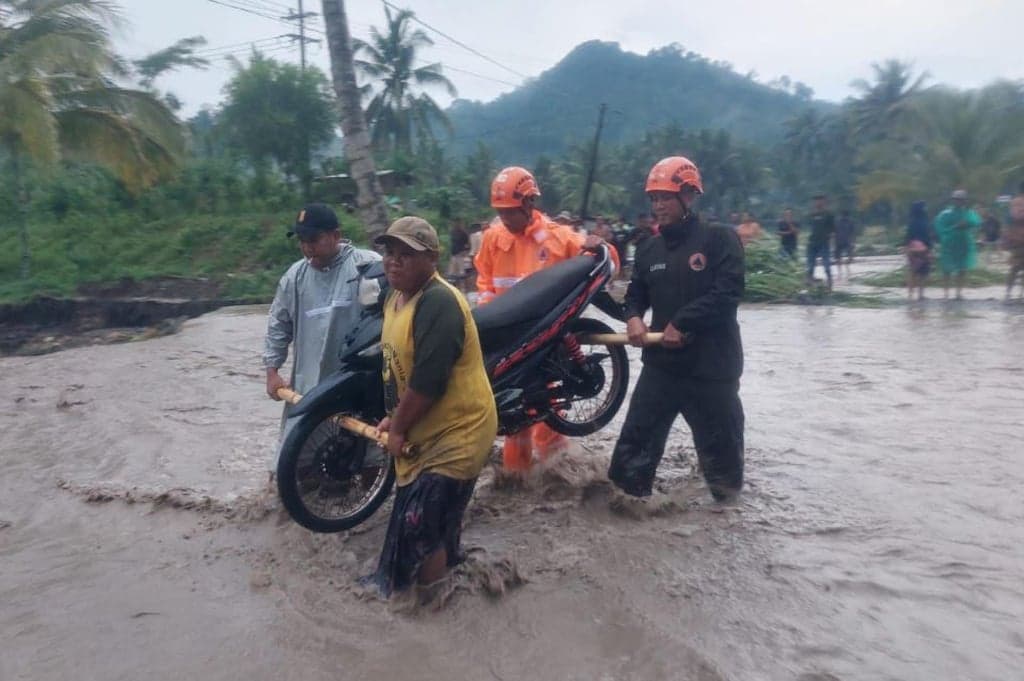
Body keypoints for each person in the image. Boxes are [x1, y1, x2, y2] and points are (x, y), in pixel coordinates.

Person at [368, 216, 498, 599]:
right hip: (428, 428)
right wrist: (395, 416)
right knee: (423, 523)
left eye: (406, 254)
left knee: (422, 527)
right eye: (389, 252)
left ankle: (434, 607)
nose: (393, 261)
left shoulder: (438, 301)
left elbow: (427, 383)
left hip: (460, 432)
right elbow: (401, 370)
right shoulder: (395, 299)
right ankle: (437, 581)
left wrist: (397, 429)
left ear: (431, 259)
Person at [607, 156, 745, 503]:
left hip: (711, 370)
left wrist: (682, 322)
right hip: (662, 368)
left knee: (725, 483)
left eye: (665, 197)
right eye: (653, 199)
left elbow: (727, 294)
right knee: (628, 469)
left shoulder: (719, 239)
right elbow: (636, 293)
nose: (657, 206)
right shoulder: (649, 247)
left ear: (689, 195)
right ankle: (629, 516)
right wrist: (634, 317)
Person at [474, 166, 615, 474]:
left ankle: (558, 479)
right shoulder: (492, 239)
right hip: (507, 344)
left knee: (547, 419)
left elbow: (608, 260)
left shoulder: (557, 237)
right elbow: (484, 281)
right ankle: (517, 483)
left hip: (546, 345)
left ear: (528, 204)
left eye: (509, 212)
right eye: (500, 212)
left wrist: (597, 245)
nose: (505, 218)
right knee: (514, 421)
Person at [263, 204, 381, 465]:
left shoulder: (367, 266)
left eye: (313, 240)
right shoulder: (294, 278)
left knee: (368, 461)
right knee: (294, 466)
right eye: (302, 241)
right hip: (309, 388)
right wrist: (272, 371)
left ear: (336, 236)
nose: (307, 247)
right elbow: (278, 325)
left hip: (358, 385)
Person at [934, 189, 982, 300]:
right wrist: (955, 227)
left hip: (964, 244)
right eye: (956, 199)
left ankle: (958, 293)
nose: (959, 202)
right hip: (949, 245)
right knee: (947, 269)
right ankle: (946, 293)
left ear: (965, 201)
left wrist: (967, 224)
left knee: (962, 269)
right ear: (953, 200)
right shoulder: (945, 214)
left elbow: (977, 222)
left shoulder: (969, 213)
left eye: (961, 200)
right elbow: (939, 227)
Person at [806, 192, 835, 291]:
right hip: (812, 243)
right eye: (816, 201)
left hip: (824, 243)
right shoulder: (812, 214)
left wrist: (831, 242)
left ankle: (830, 284)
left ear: (824, 201)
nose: (817, 202)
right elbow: (811, 228)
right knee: (810, 266)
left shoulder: (829, 214)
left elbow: (833, 230)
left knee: (826, 265)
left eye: (820, 200)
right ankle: (809, 285)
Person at [904, 201, 933, 301]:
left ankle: (910, 294)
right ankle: (920, 294)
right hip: (924, 250)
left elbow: (907, 237)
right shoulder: (925, 223)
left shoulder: (911, 223)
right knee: (923, 272)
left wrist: (907, 249)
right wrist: (930, 249)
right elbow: (928, 237)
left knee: (912, 271)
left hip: (912, 249)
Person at [1004, 183, 1024, 299]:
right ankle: (1009, 293)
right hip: (1019, 239)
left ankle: (1014, 293)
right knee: (1016, 266)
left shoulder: (1015, 201)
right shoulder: (1017, 202)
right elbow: (1016, 216)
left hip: (1017, 238)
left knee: (1016, 267)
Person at [446, 218, 471, 293]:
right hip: (453, 254)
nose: (456, 224)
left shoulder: (463, 233)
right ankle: (452, 289)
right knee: (452, 273)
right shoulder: (452, 232)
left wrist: (465, 252)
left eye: (457, 223)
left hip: (460, 254)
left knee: (461, 273)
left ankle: (463, 289)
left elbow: (467, 244)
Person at [835, 209, 856, 278]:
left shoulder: (850, 222)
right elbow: (834, 232)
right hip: (839, 241)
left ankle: (846, 266)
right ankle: (840, 272)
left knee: (850, 257)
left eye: (845, 216)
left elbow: (852, 232)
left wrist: (853, 242)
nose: (844, 217)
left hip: (847, 241)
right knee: (838, 258)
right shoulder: (837, 222)